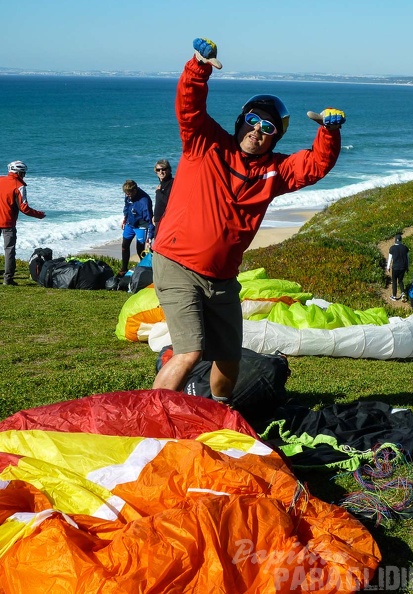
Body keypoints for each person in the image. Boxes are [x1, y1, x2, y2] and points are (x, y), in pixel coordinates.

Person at [152, 37, 345, 404]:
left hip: (222, 279)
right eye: (253, 122)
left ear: (275, 138)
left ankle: (219, 411)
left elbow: (314, 166)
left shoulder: (274, 172)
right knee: (190, 352)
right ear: (241, 122)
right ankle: (147, 421)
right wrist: (198, 67)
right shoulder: (204, 144)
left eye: (268, 129)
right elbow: (189, 107)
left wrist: (328, 134)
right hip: (177, 264)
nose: (258, 131)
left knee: (228, 359)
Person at [0, 161, 46, 286]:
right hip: (7, 222)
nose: (24, 175)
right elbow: (24, 208)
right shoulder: (19, 186)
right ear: (19, 173)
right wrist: (39, 215)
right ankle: (8, 279)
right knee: (9, 250)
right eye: (24, 173)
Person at [120, 179, 154, 275]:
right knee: (124, 246)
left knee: (140, 250)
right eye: (126, 194)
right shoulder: (128, 194)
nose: (127, 196)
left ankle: (146, 271)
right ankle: (123, 269)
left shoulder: (145, 201)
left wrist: (149, 238)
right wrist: (125, 219)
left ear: (135, 190)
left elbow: (150, 220)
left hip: (141, 226)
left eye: (129, 194)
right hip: (130, 224)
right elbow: (127, 206)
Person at [153, 159, 174, 237]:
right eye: (158, 170)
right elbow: (159, 203)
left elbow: (168, 201)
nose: (161, 172)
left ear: (169, 170)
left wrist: (158, 192)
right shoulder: (162, 184)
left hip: (166, 219)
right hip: (158, 219)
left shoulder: (172, 183)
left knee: (160, 245)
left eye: (163, 169)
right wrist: (154, 216)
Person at [386, 232, 409, 301]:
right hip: (403, 267)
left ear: (395, 240)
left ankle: (394, 296)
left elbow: (390, 259)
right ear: (401, 240)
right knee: (401, 280)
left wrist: (388, 267)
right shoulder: (405, 248)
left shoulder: (392, 248)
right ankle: (403, 293)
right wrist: (407, 267)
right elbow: (407, 258)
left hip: (395, 267)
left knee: (394, 281)